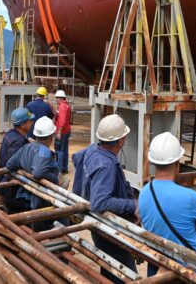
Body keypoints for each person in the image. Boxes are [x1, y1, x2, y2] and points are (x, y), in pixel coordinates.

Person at [139, 132, 196, 276]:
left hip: (155, 269)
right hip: (184, 274)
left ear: (153, 162)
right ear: (177, 163)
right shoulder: (189, 197)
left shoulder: (144, 192)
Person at [72, 114, 138, 283]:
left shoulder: (93, 149)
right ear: (121, 141)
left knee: (109, 266)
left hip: (97, 224)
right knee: (125, 273)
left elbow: (76, 158)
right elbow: (100, 202)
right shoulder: (106, 165)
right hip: (107, 228)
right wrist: (132, 205)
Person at [6, 116, 61, 231]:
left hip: (27, 195)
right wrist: (56, 179)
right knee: (46, 227)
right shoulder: (44, 152)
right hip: (42, 199)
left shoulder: (26, 147)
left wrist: (24, 170)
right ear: (51, 137)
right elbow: (38, 172)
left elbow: (10, 165)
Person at [0, 107, 33, 213]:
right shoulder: (18, 141)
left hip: (6, 186)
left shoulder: (10, 134)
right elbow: (11, 164)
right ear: (23, 125)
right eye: (30, 121)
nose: (31, 123)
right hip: (12, 191)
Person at [53, 89, 72, 174]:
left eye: (57, 98)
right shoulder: (67, 105)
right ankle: (65, 167)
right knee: (65, 149)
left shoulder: (62, 107)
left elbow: (63, 120)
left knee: (59, 150)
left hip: (62, 132)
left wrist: (59, 132)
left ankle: (59, 169)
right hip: (67, 130)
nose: (56, 99)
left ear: (61, 98)